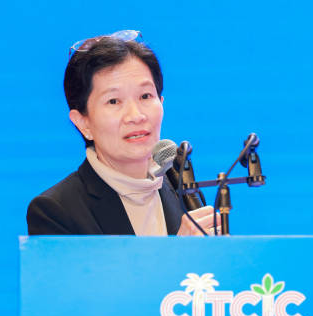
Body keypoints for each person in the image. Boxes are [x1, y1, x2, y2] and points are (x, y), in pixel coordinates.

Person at [27, 30, 217, 236]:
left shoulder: (181, 187)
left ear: (161, 103)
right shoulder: (55, 211)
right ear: (83, 123)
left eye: (145, 96)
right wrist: (178, 252)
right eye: (113, 101)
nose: (136, 116)